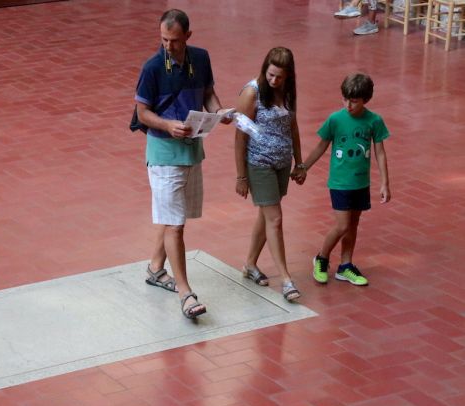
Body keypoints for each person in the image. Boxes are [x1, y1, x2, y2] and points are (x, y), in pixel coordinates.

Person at [135, 9, 231, 319]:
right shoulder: (151, 68)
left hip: (191, 152)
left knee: (173, 217)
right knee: (175, 225)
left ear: (188, 37)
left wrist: (219, 113)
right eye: (163, 39)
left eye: (174, 41)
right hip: (163, 155)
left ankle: (154, 268)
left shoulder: (200, 58)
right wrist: (167, 125)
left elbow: (208, 94)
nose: (167, 46)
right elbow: (142, 114)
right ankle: (185, 292)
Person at [300, 73, 390, 286]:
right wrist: (304, 167)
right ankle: (321, 258)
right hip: (340, 183)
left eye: (354, 101)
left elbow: (380, 153)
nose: (348, 105)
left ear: (365, 100)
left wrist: (385, 182)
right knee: (342, 225)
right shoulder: (335, 119)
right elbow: (321, 145)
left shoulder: (374, 121)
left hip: (361, 183)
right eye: (345, 99)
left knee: (353, 224)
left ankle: (345, 265)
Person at [234, 46, 304, 302]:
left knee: (266, 215)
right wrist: (241, 176)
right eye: (270, 74)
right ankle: (286, 279)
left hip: (282, 163)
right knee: (275, 219)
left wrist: (300, 162)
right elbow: (240, 136)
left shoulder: (287, 92)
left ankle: (250, 264)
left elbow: (293, 127)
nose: (273, 80)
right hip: (259, 163)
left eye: (279, 77)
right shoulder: (252, 93)